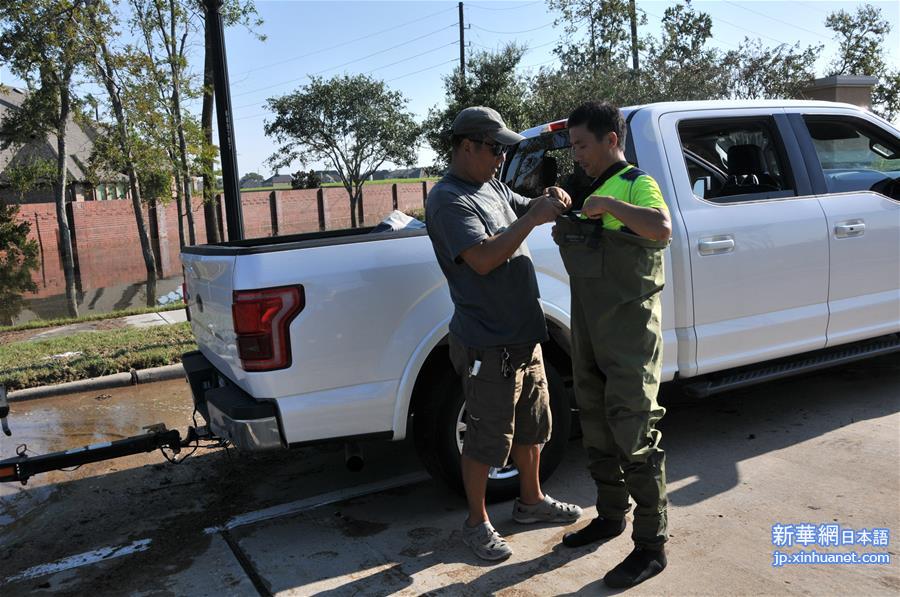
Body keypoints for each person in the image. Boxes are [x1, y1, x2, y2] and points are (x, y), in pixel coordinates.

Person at [425, 106, 582, 562]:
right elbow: (483, 258)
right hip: (487, 340)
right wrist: (532, 219)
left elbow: (521, 208)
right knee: (487, 438)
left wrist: (544, 201)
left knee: (535, 427)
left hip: (522, 332)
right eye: (495, 149)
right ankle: (476, 523)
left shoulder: (490, 184)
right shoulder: (450, 199)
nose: (500, 158)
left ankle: (530, 503)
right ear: (467, 146)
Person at [553, 101, 672, 588]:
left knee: (634, 432)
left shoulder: (633, 182)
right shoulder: (587, 186)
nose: (576, 153)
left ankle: (651, 545)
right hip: (590, 329)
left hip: (629, 334)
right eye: (573, 145)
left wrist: (611, 207)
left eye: (583, 144)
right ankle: (610, 514)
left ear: (611, 140)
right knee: (597, 424)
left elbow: (661, 228)